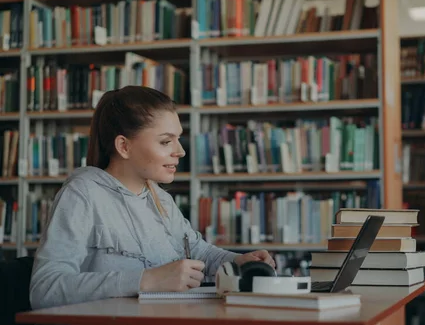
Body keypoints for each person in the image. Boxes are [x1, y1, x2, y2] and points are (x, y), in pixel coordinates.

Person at [29, 86, 275, 310]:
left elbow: (197, 251)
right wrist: (146, 280)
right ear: (124, 147)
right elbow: (45, 289)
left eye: (178, 138)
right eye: (166, 141)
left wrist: (238, 261)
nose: (180, 151)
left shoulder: (160, 197)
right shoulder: (82, 194)